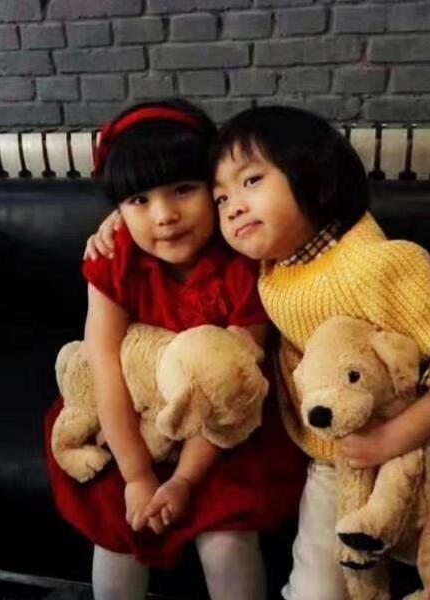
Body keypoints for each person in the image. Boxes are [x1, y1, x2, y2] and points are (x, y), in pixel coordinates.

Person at [88, 105, 430, 599]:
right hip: (330, 461)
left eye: (251, 181)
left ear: (315, 178)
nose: (232, 207)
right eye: (222, 195)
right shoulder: (269, 263)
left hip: (426, 456)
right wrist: (120, 216)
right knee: (317, 588)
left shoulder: (373, 264)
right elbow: (165, 209)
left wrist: (393, 438)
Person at [45, 99, 306, 600]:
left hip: (223, 430)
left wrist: (184, 479)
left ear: (215, 189)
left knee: (226, 540)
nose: (164, 216)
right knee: (117, 534)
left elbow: (230, 387)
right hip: (130, 418)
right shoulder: (115, 257)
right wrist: (137, 476)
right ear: (118, 210)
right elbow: (104, 366)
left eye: (184, 190)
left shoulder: (244, 260)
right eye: (139, 200)